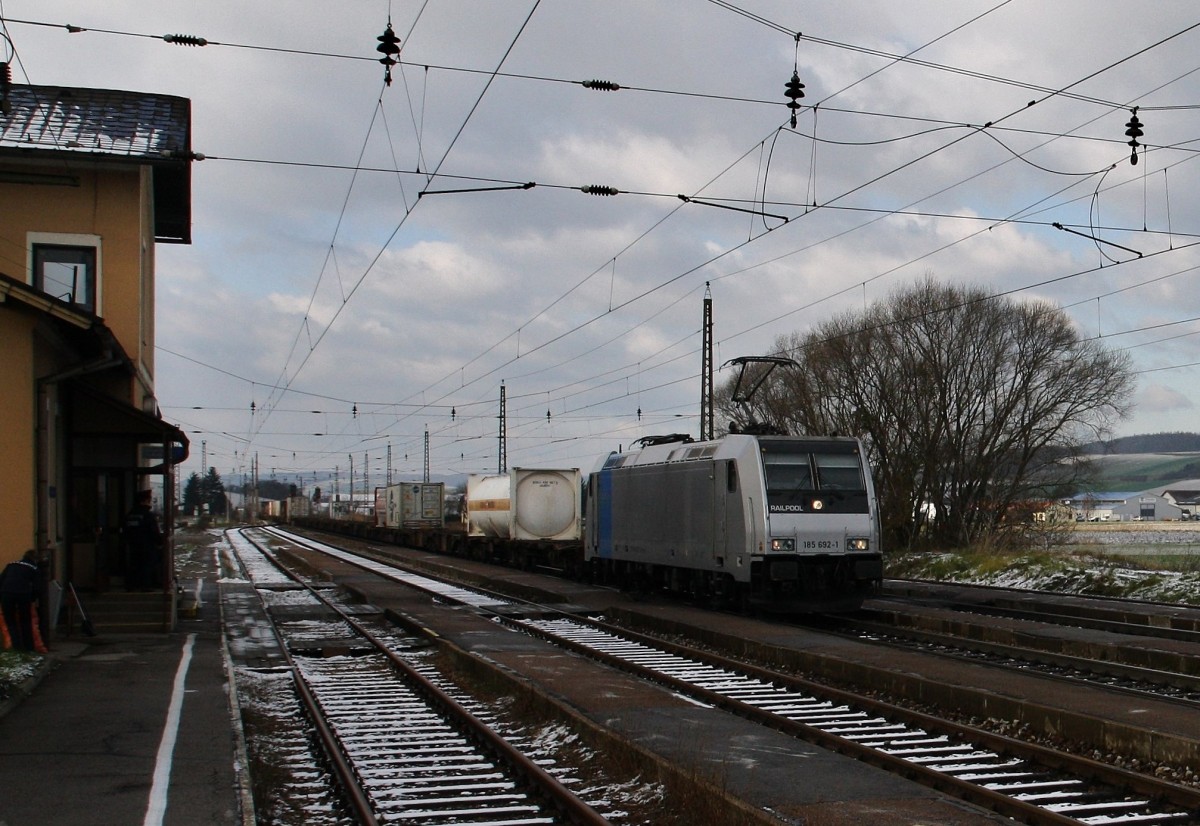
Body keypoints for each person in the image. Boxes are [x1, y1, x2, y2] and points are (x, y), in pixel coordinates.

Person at [122, 489, 163, 591]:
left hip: (133, 546)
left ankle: (132, 586)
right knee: (148, 566)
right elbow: (154, 532)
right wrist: (159, 542)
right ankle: (146, 586)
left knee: (134, 565)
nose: (150, 502)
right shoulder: (148, 515)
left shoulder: (130, 515)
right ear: (144, 501)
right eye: (149, 499)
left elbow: (125, 531)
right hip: (148, 546)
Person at [0, 550, 40, 651]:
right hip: (23, 595)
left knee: (10, 622)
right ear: (34, 559)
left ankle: (15, 646)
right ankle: (28, 647)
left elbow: (1, 580)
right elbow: (37, 587)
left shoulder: (11, 565)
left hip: (7, 594)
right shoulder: (33, 568)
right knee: (25, 622)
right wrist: (32, 599)